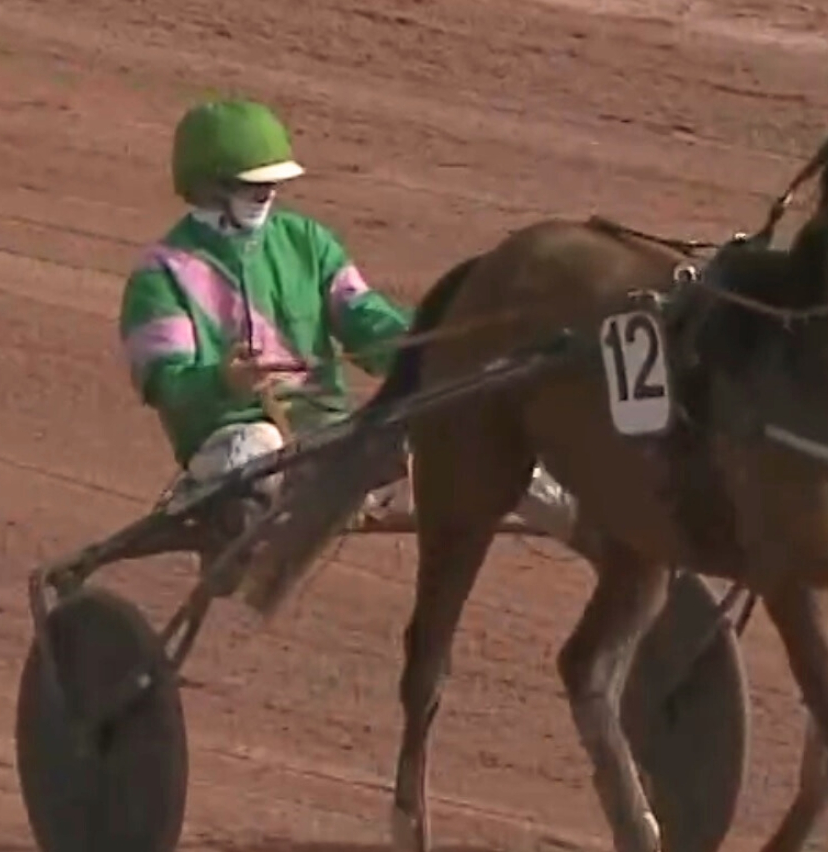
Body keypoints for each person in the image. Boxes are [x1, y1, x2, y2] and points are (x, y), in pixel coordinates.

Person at [116, 99, 574, 578]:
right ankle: (228, 528)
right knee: (257, 442)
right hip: (232, 438)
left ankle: (591, 526)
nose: (268, 192)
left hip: (328, 431)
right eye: (254, 184)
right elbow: (166, 382)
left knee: (472, 433)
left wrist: (434, 343)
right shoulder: (161, 276)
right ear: (211, 186)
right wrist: (223, 381)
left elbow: (363, 315)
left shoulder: (307, 241)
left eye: (273, 182)